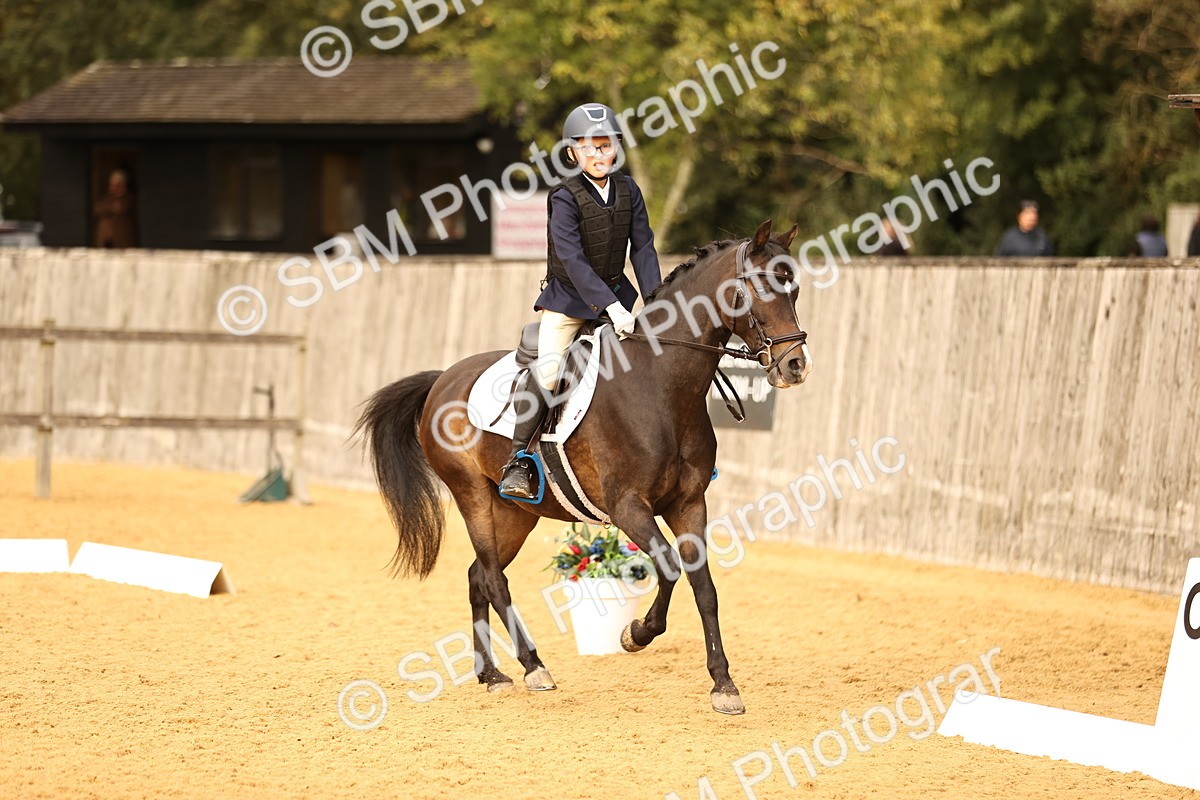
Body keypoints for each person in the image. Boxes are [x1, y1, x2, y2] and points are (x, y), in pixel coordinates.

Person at [497, 103, 663, 499]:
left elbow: (642, 249)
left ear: (616, 149)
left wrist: (656, 302)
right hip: (569, 301)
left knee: (650, 366)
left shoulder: (629, 190)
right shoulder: (564, 197)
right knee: (552, 372)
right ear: (572, 152)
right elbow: (571, 260)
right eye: (589, 148)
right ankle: (518, 460)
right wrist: (611, 308)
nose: (598, 156)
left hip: (618, 298)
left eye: (605, 147)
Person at [93, 168, 137, 248]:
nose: (115, 188)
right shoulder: (107, 198)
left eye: (118, 185)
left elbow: (121, 208)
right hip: (106, 243)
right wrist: (111, 208)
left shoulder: (128, 198)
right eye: (113, 184)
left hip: (122, 243)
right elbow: (98, 208)